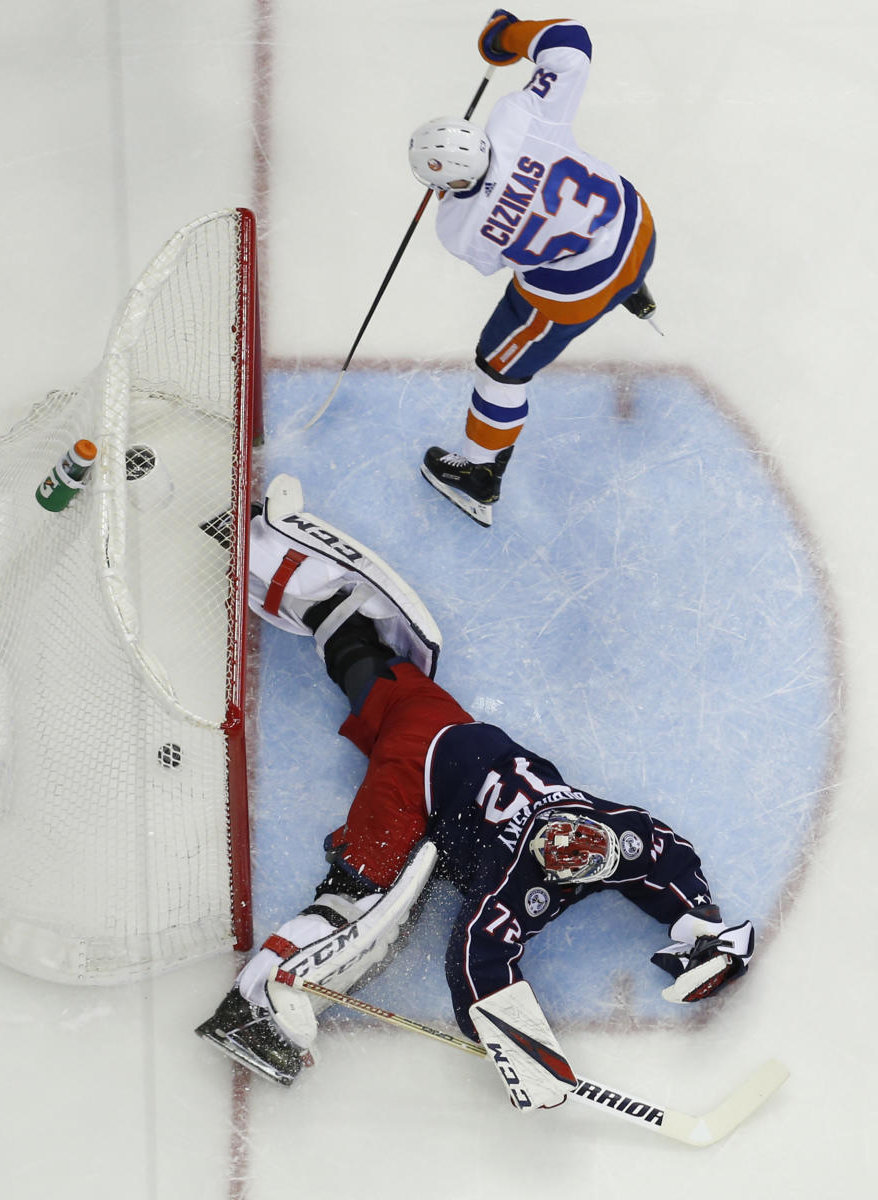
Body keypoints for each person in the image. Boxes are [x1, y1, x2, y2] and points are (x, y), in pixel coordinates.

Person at [195, 477, 754, 1097]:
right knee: (351, 895)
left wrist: (702, 929)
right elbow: (476, 957)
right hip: (411, 789)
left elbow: (659, 853)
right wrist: (521, 1049)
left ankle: (265, 556)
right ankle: (252, 1004)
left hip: (439, 728)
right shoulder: (522, 880)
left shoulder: (612, 834)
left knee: (366, 659)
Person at [409, 12, 658, 527]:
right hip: (637, 227)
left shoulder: (457, 229)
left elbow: (498, 258)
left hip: (581, 288)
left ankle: (478, 473)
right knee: (593, 241)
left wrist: (455, 198)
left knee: (500, 366)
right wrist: (505, 35)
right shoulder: (519, 115)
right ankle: (633, 286)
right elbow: (571, 42)